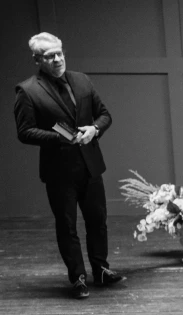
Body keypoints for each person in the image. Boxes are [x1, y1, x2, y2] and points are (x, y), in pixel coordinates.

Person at [14, 32, 125, 299]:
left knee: (98, 222)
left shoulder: (82, 80)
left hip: (90, 165)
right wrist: (64, 138)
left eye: (60, 53)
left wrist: (94, 129)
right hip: (59, 172)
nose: (57, 59)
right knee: (67, 226)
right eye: (50, 56)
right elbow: (25, 132)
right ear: (37, 59)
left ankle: (101, 270)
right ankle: (78, 278)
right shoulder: (27, 90)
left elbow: (105, 115)